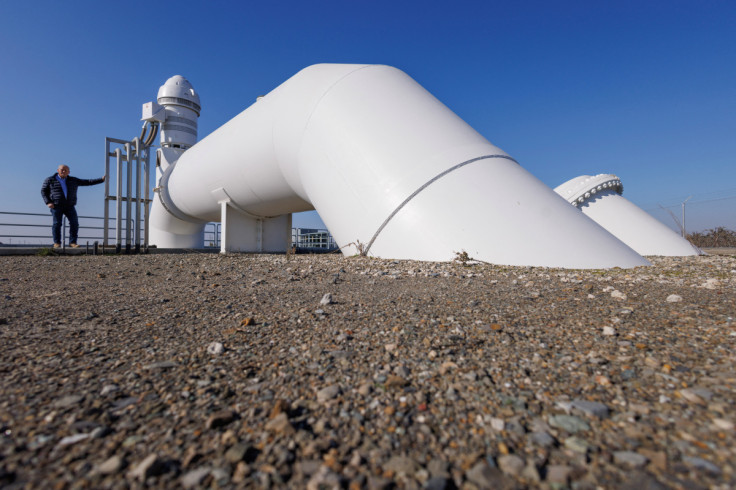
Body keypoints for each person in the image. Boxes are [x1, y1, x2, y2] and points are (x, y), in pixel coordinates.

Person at [41, 165, 105, 248]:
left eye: (66, 170)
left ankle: (73, 242)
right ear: (58, 170)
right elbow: (43, 191)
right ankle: (57, 243)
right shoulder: (50, 179)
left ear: (69, 172)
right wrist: (48, 202)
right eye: (62, 170)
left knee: (74, 223)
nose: (64, 171)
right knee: (57, 224)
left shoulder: (73, 180)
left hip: (70, 206)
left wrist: (101, 180)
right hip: (56, 205)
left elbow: (87, 182)